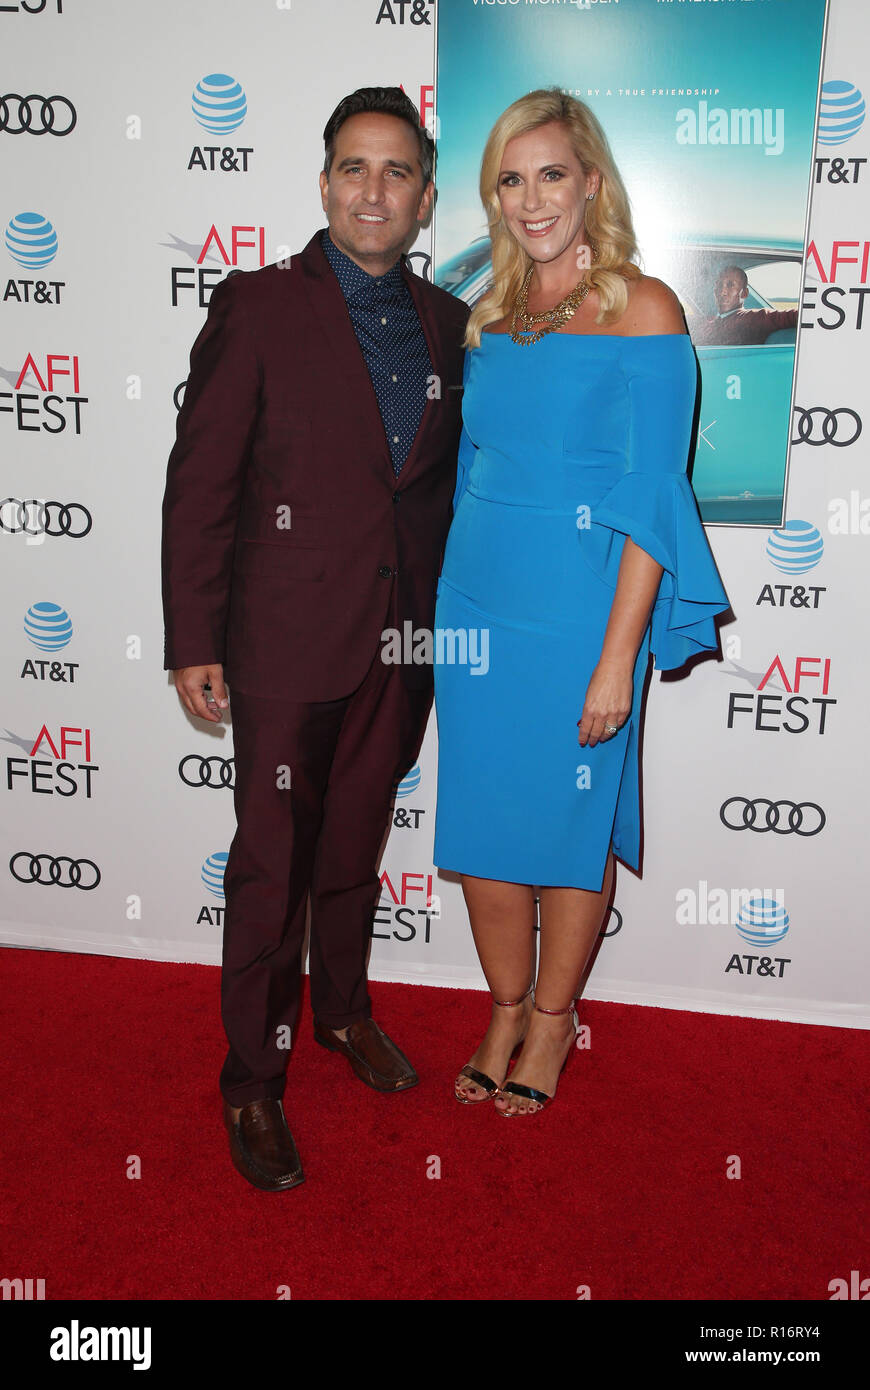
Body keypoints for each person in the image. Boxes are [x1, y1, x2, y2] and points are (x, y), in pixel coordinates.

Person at [161, 87, 469, 1190]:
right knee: (270, 868)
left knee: (352, 853)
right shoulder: (257, 305)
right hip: (285, 643)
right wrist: (194, 635)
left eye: (396, 172)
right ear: (324, 181)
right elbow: (199, 483)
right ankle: (253, 1081)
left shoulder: (447, 322)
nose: (372, 189)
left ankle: (341, 1013)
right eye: (352, 167)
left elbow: (430, 492)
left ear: (425, 197)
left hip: (400, 646)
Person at [432, 89, 730, 1118]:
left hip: (581, 619)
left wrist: (619, 656)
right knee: (481, 827)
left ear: (592, 181)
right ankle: (504, 1006)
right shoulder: (489, 320)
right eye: (510, 180)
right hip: (474, 608)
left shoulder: (646, 309)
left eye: (550, 173)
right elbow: (470, 474)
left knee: (568, 822)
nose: (531, 198)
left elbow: (654, 503)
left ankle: (554, 1020)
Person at [692, 265, 798, 345]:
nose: (722, 292)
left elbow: (797, 315)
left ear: (744, 293)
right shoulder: (708, 321)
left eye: (730, 285)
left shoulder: (753, 318)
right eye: (719, 285)